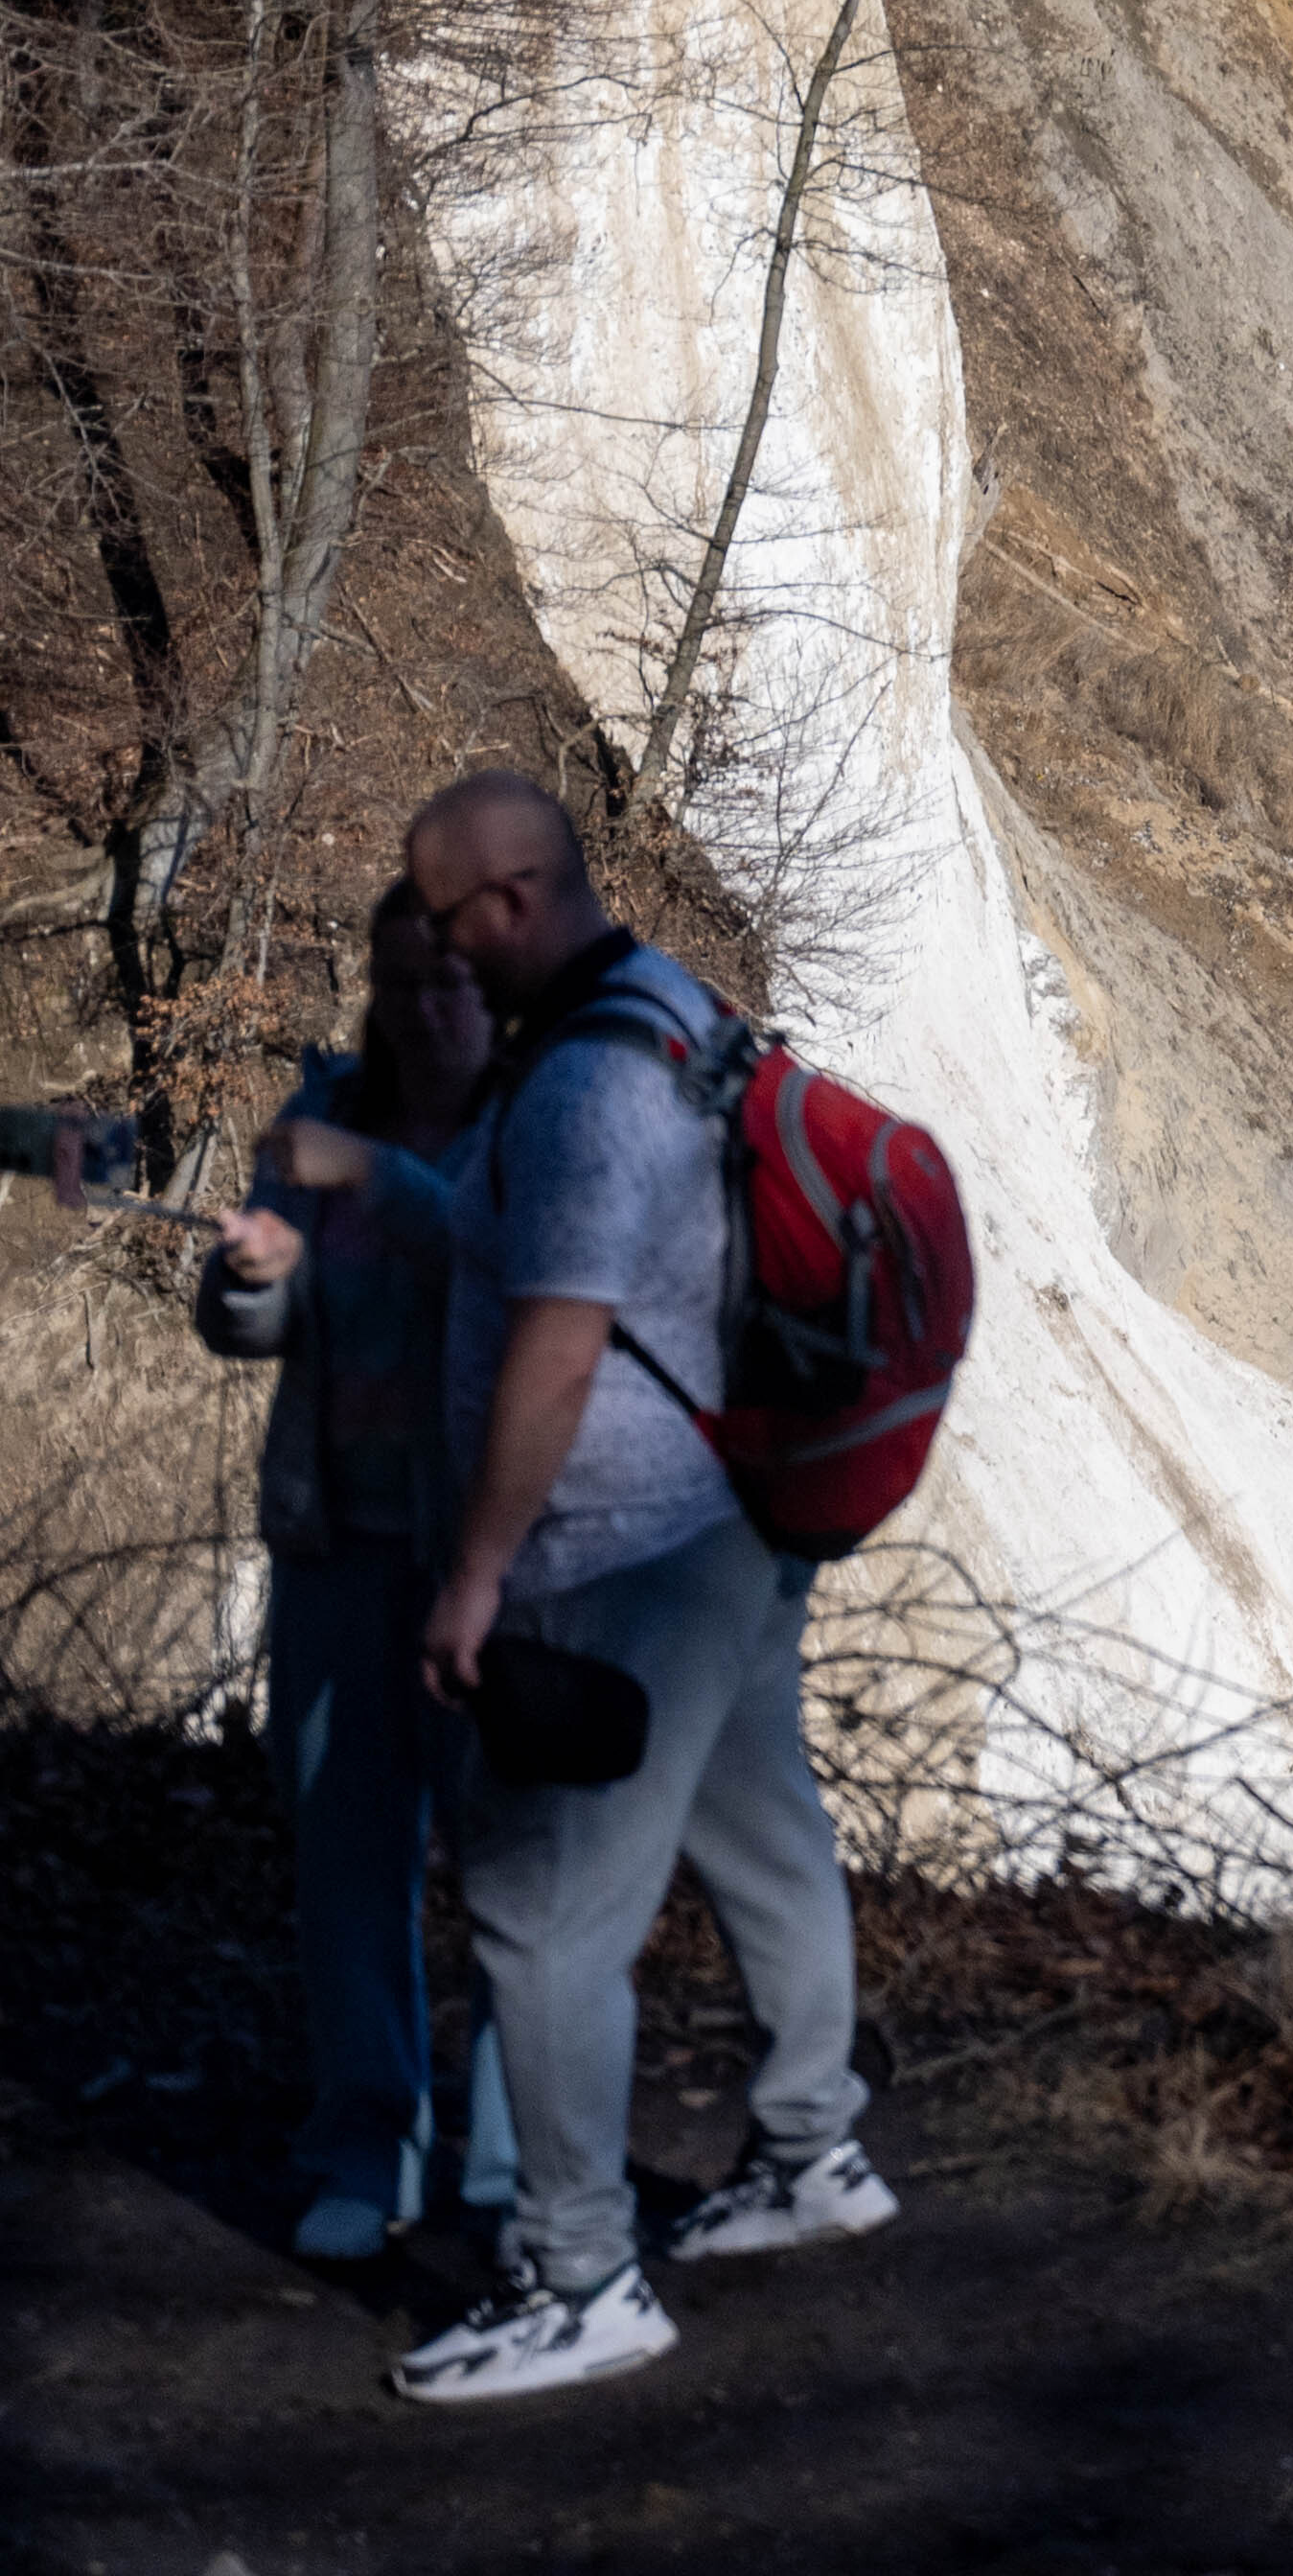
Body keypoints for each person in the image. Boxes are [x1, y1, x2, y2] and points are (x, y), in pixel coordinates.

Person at [379, 766, 889, 2408]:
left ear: (512, 900)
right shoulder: (682, 1009)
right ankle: (815, 2150)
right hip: (732, 1533)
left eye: (451, 926)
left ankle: (580, 2273)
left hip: (620, 1561)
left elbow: (560, 1333)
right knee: (760, 1833)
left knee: (539, 1919)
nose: (445, 963)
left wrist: (477, 1571)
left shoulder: (590, 1082)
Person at [196, 884, 520, 2262]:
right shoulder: (322, 1111)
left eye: (454, 986)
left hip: (499, 1558)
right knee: (346, 1851)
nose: (430, 1012)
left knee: (518, 1862)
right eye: (404, 986)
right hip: (337, 1536)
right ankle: (367, 2142)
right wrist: (257, 1273)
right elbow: (236, 1327)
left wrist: (380, 1183)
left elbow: (532, 1276)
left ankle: (514, 2163)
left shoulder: (538, 1118)